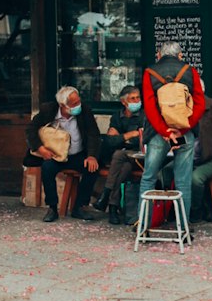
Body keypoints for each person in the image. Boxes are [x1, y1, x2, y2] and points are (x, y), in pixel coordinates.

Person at [137, 41, 205, 237]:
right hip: (185, 133)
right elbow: (199, 104)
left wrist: (165, 131)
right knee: (183, 180)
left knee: (148, 177)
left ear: (159, 55)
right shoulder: (190, 72)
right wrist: (183, 128)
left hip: (158, 134)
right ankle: (183, 228)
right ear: (180, 55)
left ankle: (144, 227)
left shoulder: (150, 73)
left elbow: (150, 108)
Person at [24, 85, 101, 223]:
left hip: (77, 154)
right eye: (74, 103)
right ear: (63, 105)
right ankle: (52, 208)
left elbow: (93, 134)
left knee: (92, 169)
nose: (78, 105)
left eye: (79, 101)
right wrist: (40, 149)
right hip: (56, 155)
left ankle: (79, 207)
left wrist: (92, 155)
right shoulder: (49, 110)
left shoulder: (84, 111)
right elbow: (31, 129)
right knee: (47, 169)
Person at [92, 84, 144, 226]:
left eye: (138, 97)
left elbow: (139, 140)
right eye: (133, 99)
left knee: (119, 153)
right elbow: (109, 141)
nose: (137, 101)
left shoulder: (143, 116)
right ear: (124, 102)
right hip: (122, 161)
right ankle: (113, 206)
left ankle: (107, 197)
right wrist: (129, 135)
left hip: (138, 157)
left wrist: (121, 138)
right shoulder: (117, 116)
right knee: (124, 166)